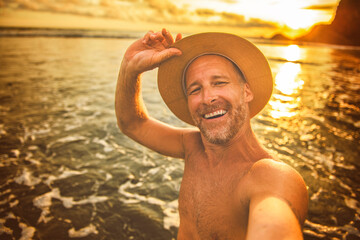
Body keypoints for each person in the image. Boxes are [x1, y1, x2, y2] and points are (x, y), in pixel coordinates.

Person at [115, 28, 308, 240]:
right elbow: (132, 124)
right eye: (195, 90)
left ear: (246, 91)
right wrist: (129, 68)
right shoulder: (192, 147)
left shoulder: (270, 176)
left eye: (219, 83)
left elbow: (274, 223)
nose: (207, 98)